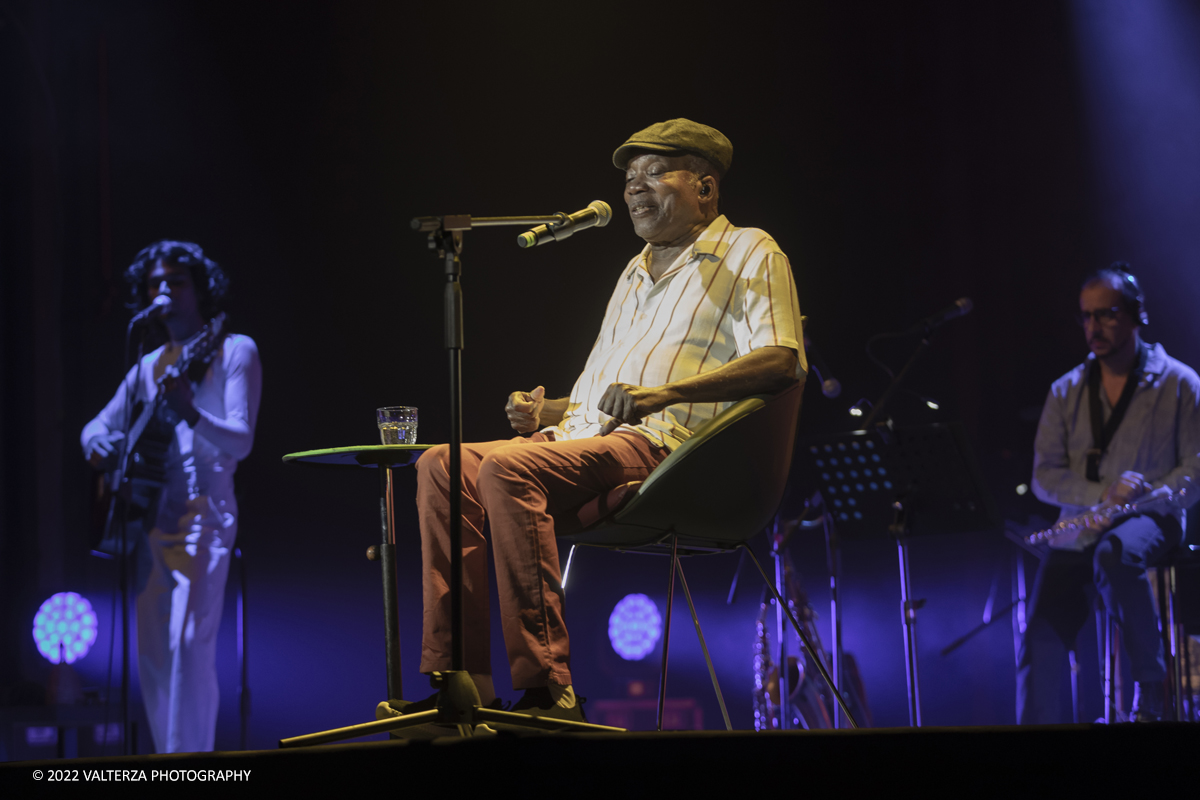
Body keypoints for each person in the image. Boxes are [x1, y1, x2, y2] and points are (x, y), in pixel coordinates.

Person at [400, 119, 806, 721]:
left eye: (652, 172)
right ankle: (467, 681)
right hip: (582, 442)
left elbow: (782, 360)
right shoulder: (633, 269)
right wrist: (547, 410)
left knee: (508, 472)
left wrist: (662, 394)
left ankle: (549, 687)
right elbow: (605, 393)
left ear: (704, 186)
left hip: (666, 451)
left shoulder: (751, 249)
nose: (633, 188)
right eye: (627, 177)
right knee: (440, 462)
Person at [82, 241, 262, 752]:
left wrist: (190, 411)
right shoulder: (147, 366)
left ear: (201, 289)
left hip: (206, 512)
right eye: (154, 283)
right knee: (154, 656)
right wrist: (97, 441)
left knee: (188, 645)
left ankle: (191, 765)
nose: (163, 291)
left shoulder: (234, 350)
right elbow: (95, 425)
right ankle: (167, 763)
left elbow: (242, 442)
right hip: (149, 520)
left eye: (176, 281)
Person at [1019, 264, 1200, 723]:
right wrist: (1102, 495)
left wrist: (1143, 496)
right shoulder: (1066, 390)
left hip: (1151, 518)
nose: (1093, 327)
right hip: (1082, 523)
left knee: (1114, 556)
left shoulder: (1180, 383)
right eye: (1086, 316)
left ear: (1137, 315)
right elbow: (1044, 475)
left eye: (1107, 314)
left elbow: (1196, 467)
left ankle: (1152, 691)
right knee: (1040, 635)